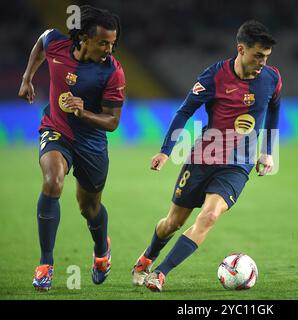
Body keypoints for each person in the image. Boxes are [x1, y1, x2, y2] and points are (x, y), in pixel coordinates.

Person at [131, 20, 282, 292]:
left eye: (266, 56)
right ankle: (146, 259)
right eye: (258, 55)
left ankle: (161, 274)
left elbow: (274, 109)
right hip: (204, 157)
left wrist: (268, 151)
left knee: (210, 216)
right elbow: (184, 111)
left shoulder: (272, 78)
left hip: (238, 164)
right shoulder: (213, 76)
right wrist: (166, 152)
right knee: (172, 223)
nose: (262, 62)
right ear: (241, 49)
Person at [18, 5, 126, 290]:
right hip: (56, 129)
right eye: (103, 42)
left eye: (112, 43)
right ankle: (45, 265)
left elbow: (113, 121)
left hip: (91, 144)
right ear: (84, 38)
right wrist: (27, 77)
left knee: (89, 208)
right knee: (53, 182)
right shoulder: (58, 43)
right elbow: (41, 42)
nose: (109, 49)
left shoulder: (112, 72)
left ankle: (102, 250)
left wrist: (84, 113)